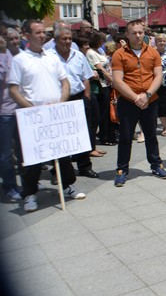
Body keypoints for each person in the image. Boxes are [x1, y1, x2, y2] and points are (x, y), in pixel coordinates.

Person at [8, 19, 86, 211]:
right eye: (38, 33)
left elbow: (65, 82)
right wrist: (32, 108)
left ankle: (67, 185)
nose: (42, 36)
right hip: (33, 117)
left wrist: (60, 103)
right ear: (26, 35)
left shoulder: (51, 57)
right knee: (33, 159)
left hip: (55, 114)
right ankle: (30, 194)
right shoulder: (19, 60)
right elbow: (14, 90)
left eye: (44, 32)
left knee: (63, 154)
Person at [111, 20, 166, 187]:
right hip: (128, 102)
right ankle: (122, 170)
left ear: (144, 33)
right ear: (127, 35)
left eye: (140, 32)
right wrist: (136, 97)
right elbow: (117, 80)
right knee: (126, 136)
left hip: (150, 101)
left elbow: (158, 76)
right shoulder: (119, 54)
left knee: (151, 135)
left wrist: (147, 94)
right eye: (134, 33)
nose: (138, 36)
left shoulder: (152, 52)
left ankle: (156, 164)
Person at [48, 23, 100, 177]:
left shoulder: (78, 55)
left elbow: (86, 78)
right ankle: (60, 170)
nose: (68, 41)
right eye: (64, 38)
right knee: (61, 136)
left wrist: (87, 97)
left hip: (79, 98)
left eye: (70, 38)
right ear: (56, 39)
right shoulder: (49, 56)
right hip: (59, 100)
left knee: (82, 133)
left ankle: (84, 166)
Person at [0, 32, 20, 202]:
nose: (14, 41)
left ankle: (28, 183)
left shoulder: (18, 56)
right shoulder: (3, 57)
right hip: (4, 113)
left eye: (16, 38)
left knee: (24, 151)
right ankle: (9, 186)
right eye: (9, 38)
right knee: (6, 154)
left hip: (21, 110)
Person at [86, 32, 114, 147]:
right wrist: (112, 79)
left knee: (107, 111)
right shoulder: (91, 53)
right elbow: (100, 68)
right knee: (102, 113)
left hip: (106, 84)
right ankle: (104, 136)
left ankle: (108, 134)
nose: (103, 42)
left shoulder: (100, 51)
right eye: (102, 40)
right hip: (100, 85)